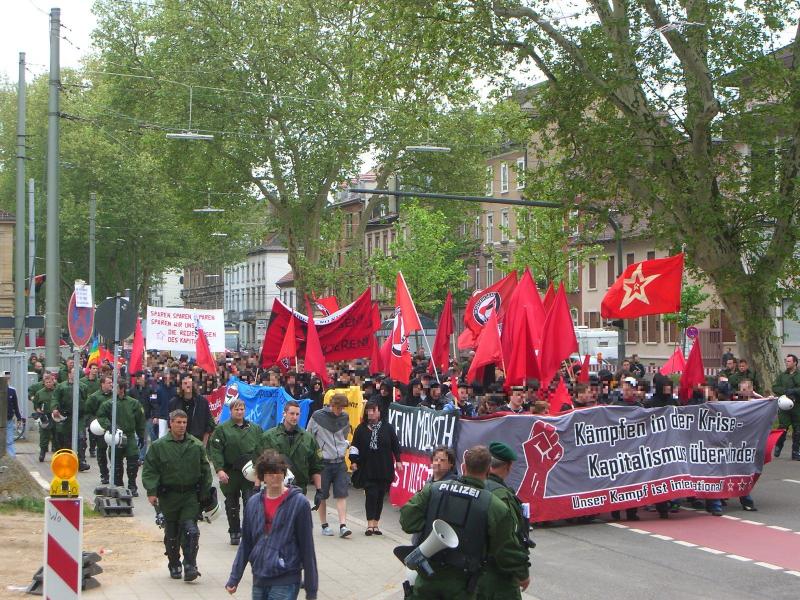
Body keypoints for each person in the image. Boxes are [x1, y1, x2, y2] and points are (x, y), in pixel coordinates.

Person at [399, 445, 530, 600]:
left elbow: (407, 522)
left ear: (464, 466)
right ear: (488, 469)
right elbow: (506, 549)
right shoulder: (494, 506)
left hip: (427, 581)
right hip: (463, 585)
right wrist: (522, 574)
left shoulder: (433, 489)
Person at [226, 449, 318, 599]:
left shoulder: (299, 503)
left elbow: (307, 547)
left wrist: (311, 589)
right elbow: (246, 543)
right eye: (270, 473)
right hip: (260, 575)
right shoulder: (253, 503)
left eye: (278, 472)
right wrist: (234, 577)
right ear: (262, 477)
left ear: (284, 473)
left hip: (286, 576)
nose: (275, 476)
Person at [142, 409, 213, 582]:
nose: (181, 426)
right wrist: (152, 492)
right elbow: (150, 470)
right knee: (172, 534)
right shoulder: (159, 446)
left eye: (184, 423)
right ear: (171, 423)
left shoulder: (196, 445)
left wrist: (205, 495)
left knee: (191, 531)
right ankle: (174, 563)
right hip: (168, 496)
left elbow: (205, 471)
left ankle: (190, 564)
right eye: (178, 422)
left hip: (190, 495)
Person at [477, 442, 533, 600]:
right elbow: (508, 541)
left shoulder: (473, 486)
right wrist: (522, 573)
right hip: (496, 576)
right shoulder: (503, 496)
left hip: (470, 572)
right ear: (508, 466)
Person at [209, 399, 263, 545]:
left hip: (250, 472)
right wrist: (219, 470)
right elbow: (216, 450)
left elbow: (261, 450)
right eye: (236, 409)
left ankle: (248, 532)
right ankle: (234, 531)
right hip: (230, 472)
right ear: (231, 411)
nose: (239, 412)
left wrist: (260, 471)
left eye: (242, 409)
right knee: (231, 504)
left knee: (250, 502)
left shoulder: (255, 428)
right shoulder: (222, 429)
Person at [349, 400, 402, 535]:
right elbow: (354, 446)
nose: (371, 413)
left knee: (380, 496)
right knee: (371, 494)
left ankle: (376, 524)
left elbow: (395, 445)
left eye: (374, 410)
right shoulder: (361, 429)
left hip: (384, 467)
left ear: (379, 412)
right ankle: (369, 524)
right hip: (367, 467)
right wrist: (353, 461)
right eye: (369, 410)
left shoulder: (387, 428)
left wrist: (398, 461)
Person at [307, 393, 352, 538]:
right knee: (322, 495)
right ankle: (324, 525)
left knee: (342, 494)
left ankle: (343, 525)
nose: (340, 411)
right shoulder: (317, 416)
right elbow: (309, 436)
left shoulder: (344, 417)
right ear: (332, 405)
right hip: (323, 463)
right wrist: (316, 453)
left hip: (339, 461)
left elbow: (344, 436)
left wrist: (343, 446)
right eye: (338, 408)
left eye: (342, 408)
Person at [259, 400, 323, 502]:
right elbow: (259, 464)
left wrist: (319, 490)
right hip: (275, 487)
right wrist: (256, 486)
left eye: (297, 414)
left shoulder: (308, 438)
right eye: (292, 413)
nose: (295, 417)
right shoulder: (268, 437)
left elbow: (316, 466)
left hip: (299, 488)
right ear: (284, 414)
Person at [96, 380, 146, 495]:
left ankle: (132, 485)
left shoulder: (134, 403)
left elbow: (140, 420)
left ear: (122, 389)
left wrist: (141, 435)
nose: (114, 389)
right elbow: (101, 416)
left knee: (133, 461)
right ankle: (118, 484)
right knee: (116, 462)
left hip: (129, 435)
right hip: (115, 436)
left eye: (117, 387)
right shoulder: (108, 403)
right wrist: (108, 426)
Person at [169, 373, 215, 445]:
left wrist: (203, 445)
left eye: (190, 383)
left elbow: (208, 425)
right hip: (178, 443)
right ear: (181, 385)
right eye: (185, 383)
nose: (188, 385)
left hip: (197, 442)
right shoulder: (174, 402)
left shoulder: (202, 402)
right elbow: (170, 425)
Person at [86, 376, 114, 483]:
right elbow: (88, 413)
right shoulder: (94, 397)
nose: (111, 384)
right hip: (100, 428)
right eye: (108, 382)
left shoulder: (114, 396)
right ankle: (104, 474)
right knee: (101, 451)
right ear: (102, 384)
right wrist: (94, 424)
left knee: (114, 452)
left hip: (113, 428)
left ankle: (114, 473)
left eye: (112, 382)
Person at [773, 353, 800, 460]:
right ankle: (778, 445)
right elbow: (775, 387)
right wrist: (785, 391)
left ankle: (796, 452)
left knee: (798, 429)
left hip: (797, 406)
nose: (787, 363)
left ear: (795, 362)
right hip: (784, 407)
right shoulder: (782, 376)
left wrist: (794, 391)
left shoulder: (799, 375)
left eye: (789, 361)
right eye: (786, 361)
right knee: (782, 427)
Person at [32, 373, 57, 462]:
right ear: (44, 383)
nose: (49, 384)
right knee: (44, 435)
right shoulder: (40, 393)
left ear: (53, 382)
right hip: (45, 416)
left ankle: (57, 453)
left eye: (50, 382)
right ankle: (43, 452)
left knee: (57, 435)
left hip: (56, 416)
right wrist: (38, 410)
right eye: (47, 382)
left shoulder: (57, 391)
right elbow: (36, 405)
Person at [4, 375, 22, 458]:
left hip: (8, 418)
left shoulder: (12, 390)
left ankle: (11, 457)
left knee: (9, 439)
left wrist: (19, 417)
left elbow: (15, 405)